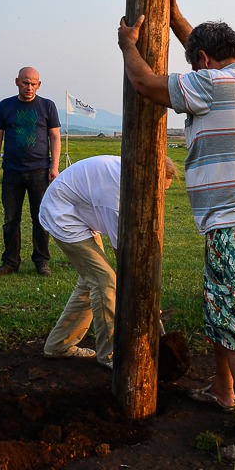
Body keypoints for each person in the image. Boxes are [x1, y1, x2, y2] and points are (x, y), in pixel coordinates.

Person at [117, 0, 235, 465]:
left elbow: (146, 84)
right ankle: (223, 391)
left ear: (202, 61)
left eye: (195, 59)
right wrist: (177, 21)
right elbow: (206, 62)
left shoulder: (210, 85)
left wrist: (127, 46)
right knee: (222, 312)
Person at [41, 155, 176, 367]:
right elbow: (122, 252)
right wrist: (139, 287)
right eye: (158, 190)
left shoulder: (134, 169)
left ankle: (59, 345)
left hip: (78, 212)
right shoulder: (117, 196)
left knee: (90, 281)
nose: (159, 197)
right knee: (105, 282)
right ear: (148, 178)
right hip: (63, 215)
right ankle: (111, 354)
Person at [0, 67, 62, 277]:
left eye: (33, 83)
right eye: (25, 83)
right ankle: (10, 262)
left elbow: (55, 137)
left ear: (39, 85)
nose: (29, 87)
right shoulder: (6, 105)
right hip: (12, 170)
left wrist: (54, 166)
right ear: (17, 82)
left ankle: (41, 261)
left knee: (40, 218)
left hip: (40, 170)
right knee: (11, 219)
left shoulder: (47, 106)